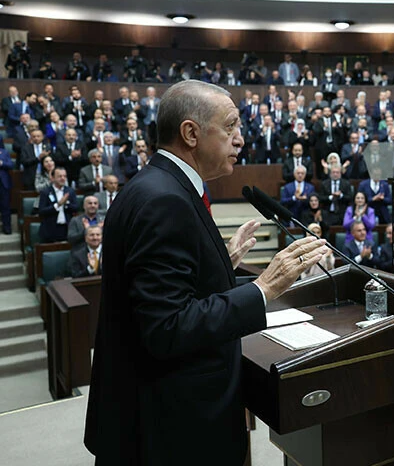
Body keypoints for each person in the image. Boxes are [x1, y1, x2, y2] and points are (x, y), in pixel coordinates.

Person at [85, 80, 330, 465]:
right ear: (190, 133)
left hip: (153, 414)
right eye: (230, 126)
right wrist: (263, 288)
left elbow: (161, 288)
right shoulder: (165, 201)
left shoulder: (156, 185)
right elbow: (167, 328)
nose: (240, 139)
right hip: (170, 429)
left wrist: (219, 265)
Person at [38, 167, 77, 243]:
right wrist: (57, 205)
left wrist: (66, 204)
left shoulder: (70, 191)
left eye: (64, 176)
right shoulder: (45, 192)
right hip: (50, 229)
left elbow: (76, 207)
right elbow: (41, 211)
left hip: (67, 228)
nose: (63, 178)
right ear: (52, 178)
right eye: (60, 176)